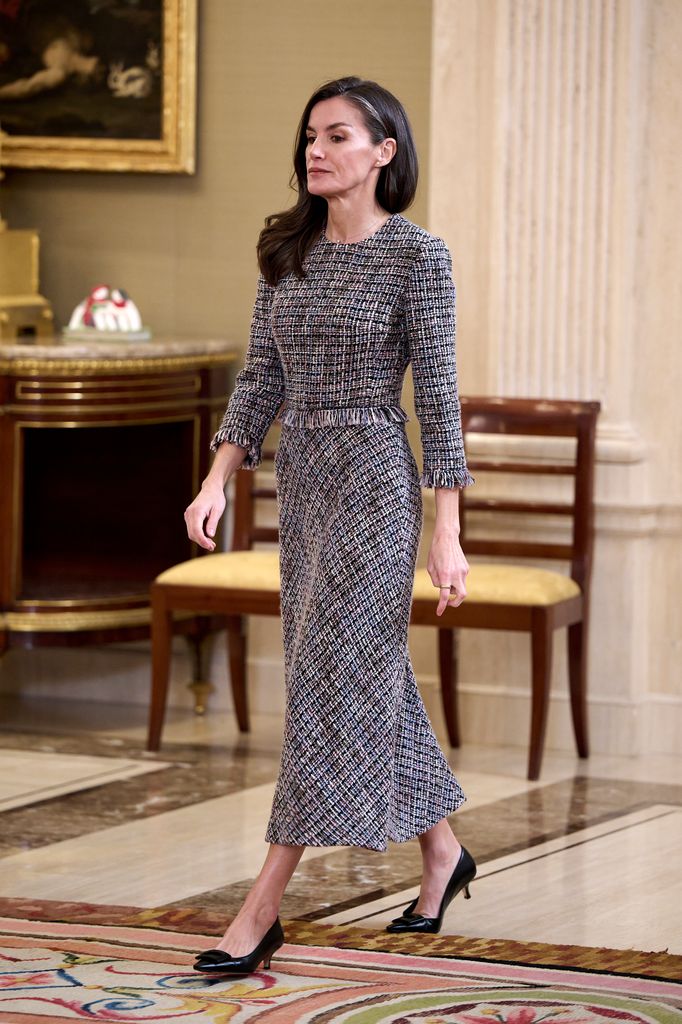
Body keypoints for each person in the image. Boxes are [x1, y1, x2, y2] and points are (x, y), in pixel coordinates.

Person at [185, 76, 476, 977]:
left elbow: (436, 400)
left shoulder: (418, 258)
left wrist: (447, 529)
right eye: (310, 135)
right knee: (361, 677)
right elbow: (257, 382)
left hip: (377, 489)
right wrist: (217, 479)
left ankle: (262, 907)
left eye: (338, 135)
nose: (316, 149)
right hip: (302, 491)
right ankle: (443, 854)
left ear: (384, 152)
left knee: (325, 692)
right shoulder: (287, 250)